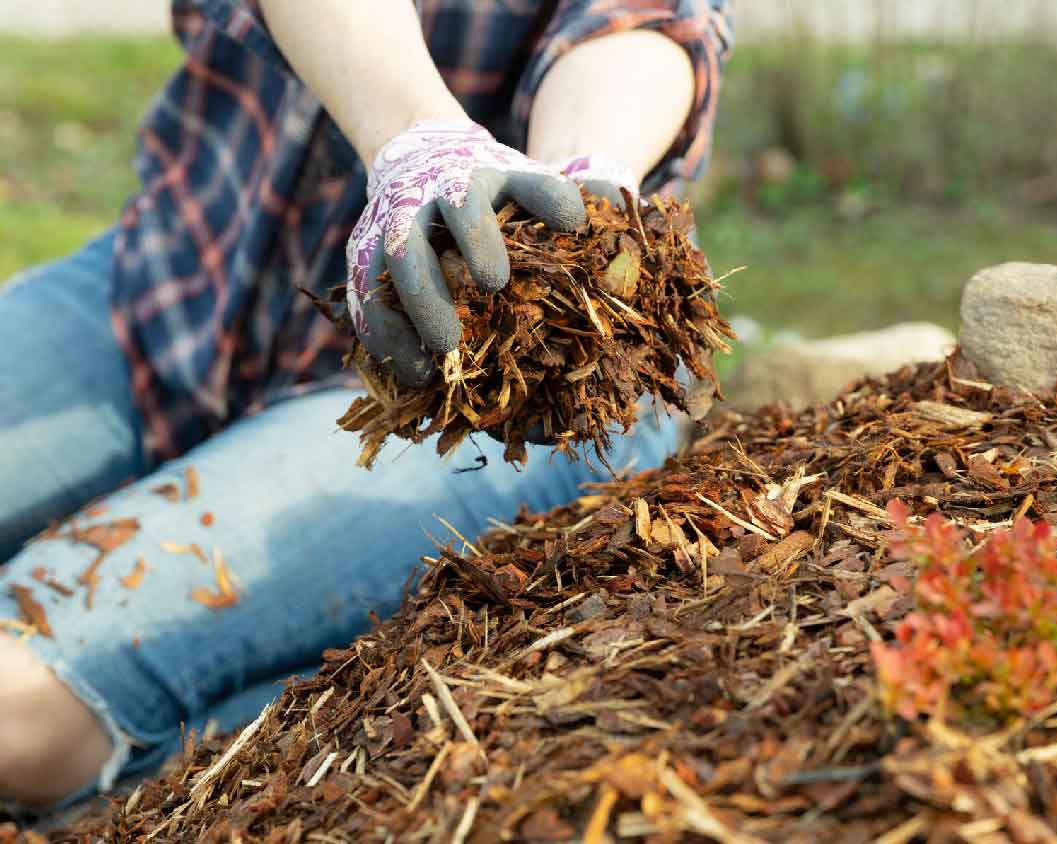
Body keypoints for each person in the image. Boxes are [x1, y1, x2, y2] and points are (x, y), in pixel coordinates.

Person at [0, 0, 731, 811]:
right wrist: (420, 142)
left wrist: (581, 187)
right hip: (176, 281)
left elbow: (642, 22)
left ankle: (291, 734)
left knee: (17, 712)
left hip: (458, 398)